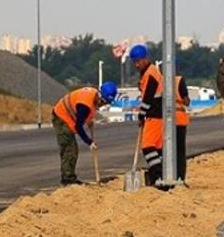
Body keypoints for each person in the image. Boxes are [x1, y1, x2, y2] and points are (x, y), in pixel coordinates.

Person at [130, 44, 190, 186]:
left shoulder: (151, 73)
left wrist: (141, 115)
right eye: (135, 62)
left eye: (138, 61)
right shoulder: (151, 73)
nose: (137, 64)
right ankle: (162, 175)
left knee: (148, 147)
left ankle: (159, 174)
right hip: (164, 116)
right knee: (159, 150)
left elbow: (148, 97)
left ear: (145, 58)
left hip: (156, 116)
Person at [52, 81, 118, 185]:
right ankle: (67, 180)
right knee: (70, 149)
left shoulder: (93, 97)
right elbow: (78, 127)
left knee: (71, 148)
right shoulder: (85, 104)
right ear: (100, 96)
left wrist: (89, 121)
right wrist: (89, 142)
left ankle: (69, 177)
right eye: (102, 102)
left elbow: (85, 114)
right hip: (61, 117)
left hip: (67, 116)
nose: (101, 105)